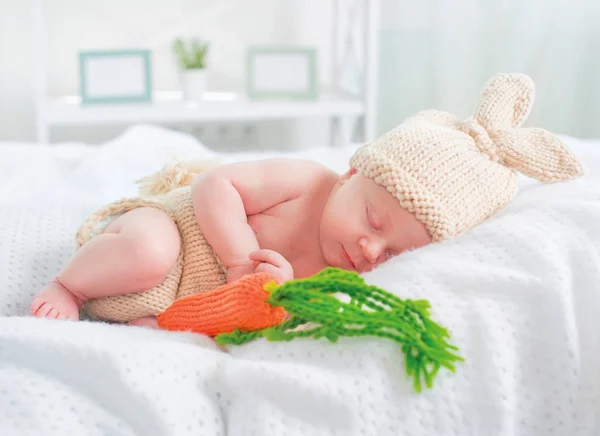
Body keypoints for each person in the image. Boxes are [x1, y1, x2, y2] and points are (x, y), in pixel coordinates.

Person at [29, 73, 584, 327]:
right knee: (146, 253)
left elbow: (273, 310)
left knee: (169, 336)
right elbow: (213, 186)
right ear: (349, 173)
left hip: (175, 298)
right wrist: (239, 257)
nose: (371, 249)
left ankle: (125, 316)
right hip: (170, 231)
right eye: (373, 219)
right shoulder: (307, 182)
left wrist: (279, 295)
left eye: (394, 252)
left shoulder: (347, 269)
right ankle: (72, 283)